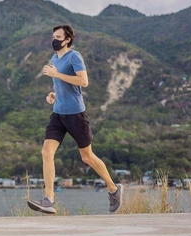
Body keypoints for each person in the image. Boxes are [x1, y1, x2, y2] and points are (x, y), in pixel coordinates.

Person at [27, 25, 123, 214]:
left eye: (58, 36)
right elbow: (62, 85)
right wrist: (53, 95)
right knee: (46, 152)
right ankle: (49, 200)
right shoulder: (54, 58)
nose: (54, 39)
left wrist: (56, 74)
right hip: (58, 114)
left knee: (87, 157)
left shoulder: (74, 57)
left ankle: (114, 189)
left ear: (67, 39)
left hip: (76, 115)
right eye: (53, 36)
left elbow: (83, 82)